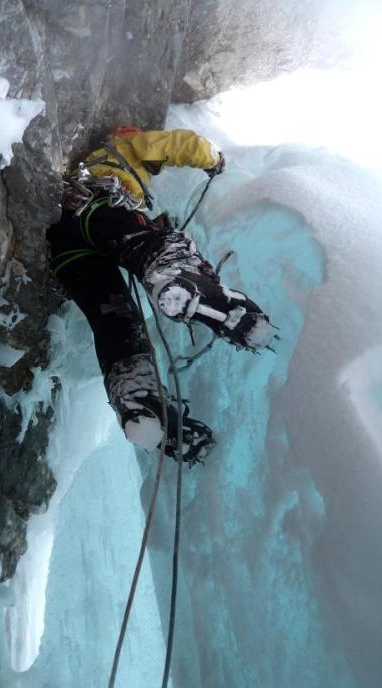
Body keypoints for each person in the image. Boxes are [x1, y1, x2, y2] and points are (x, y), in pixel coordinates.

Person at [48, 126, 276, 464]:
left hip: (68, 250)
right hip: (94, 207)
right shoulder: (120, 150)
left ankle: (137, 396)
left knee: (114, 318)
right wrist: (213, 159)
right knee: (145, 245)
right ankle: (178, 275)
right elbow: (175, 144)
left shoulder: (103, 170)